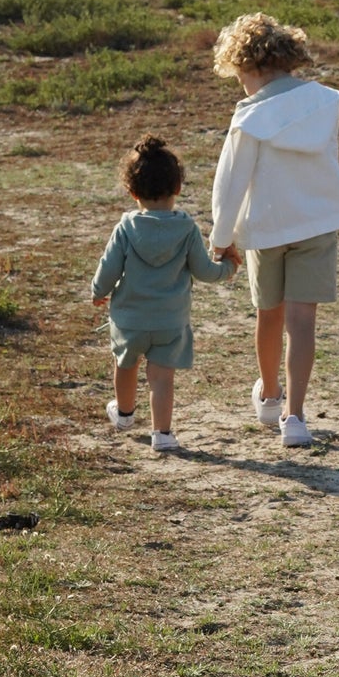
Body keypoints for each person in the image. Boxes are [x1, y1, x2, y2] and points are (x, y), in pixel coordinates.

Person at [209, 12, 339, 450]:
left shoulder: (249, 116)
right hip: (317, 222)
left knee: (269, 314)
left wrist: (221, 239)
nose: (240, 83)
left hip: (268, 226)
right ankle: (295, 417)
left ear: (252, 66)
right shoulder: (325, 100)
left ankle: (269, 394)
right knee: (303, 321)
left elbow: (230, 182)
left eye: (239, 74)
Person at [92, 135, 237, 453]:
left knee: (125, 364)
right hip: (170, 321)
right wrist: (228, 267)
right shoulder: (186, 229)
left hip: (130, 318)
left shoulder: (126, 229)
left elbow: (108, 269)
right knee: (161, 377)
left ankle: (125, 414)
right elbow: (204, 271)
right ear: (177, 189)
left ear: (132, 193)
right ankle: (163, 434)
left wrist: (99, 292)